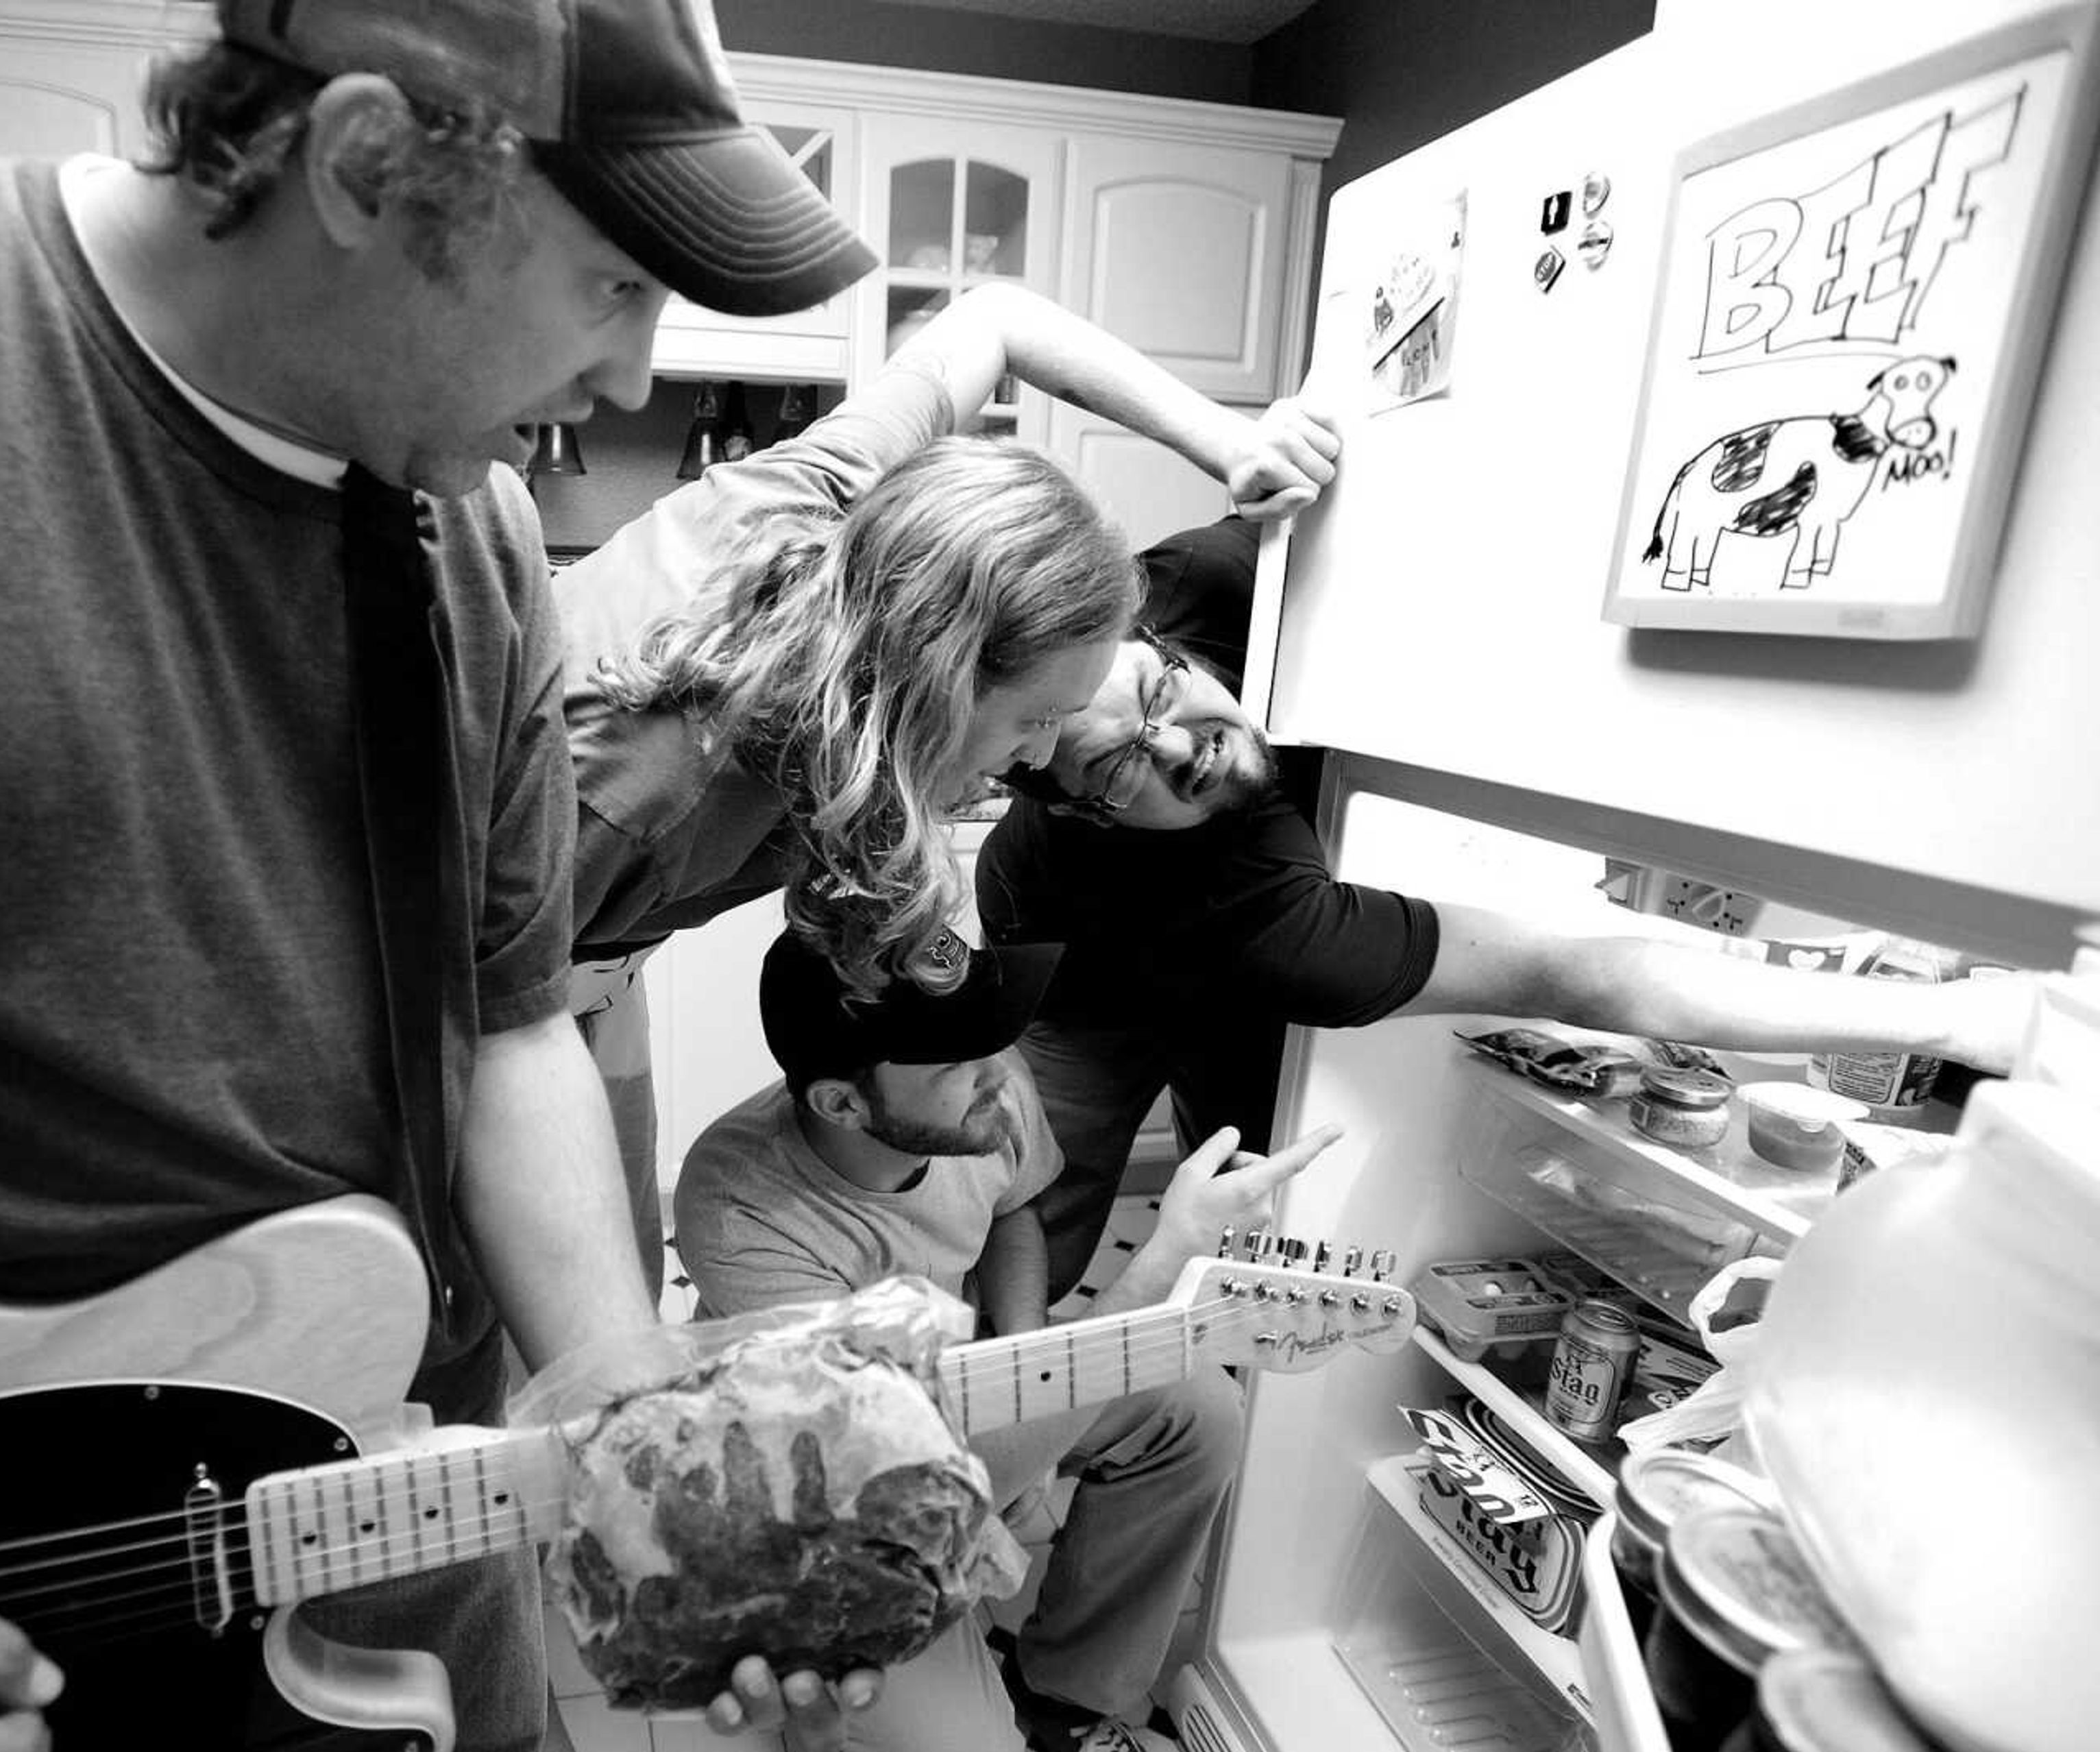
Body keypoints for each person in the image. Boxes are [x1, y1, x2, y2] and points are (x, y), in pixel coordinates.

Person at [0, 2, 880, 1748]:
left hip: (362, 1550)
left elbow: (508, 1019)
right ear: (366, 163)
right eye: (610, 285)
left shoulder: (479, 553)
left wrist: (614, 1397)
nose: (631, 380)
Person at [977, 515, 2047, 1297]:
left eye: (1161, 695)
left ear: (1161, 647)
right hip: (1070, 952)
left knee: (1246, 1127)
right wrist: (1958, 1022)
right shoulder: (1267, 928)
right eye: (1120, 769)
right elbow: (1575, 973)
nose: (1181, 747)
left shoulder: (1203, 583)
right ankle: (1012, 1430)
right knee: (1043, 1200)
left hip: (1204, 925)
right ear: (1093, 810)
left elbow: (1374, 494)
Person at [557, 283, 1342, 1293]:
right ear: (933, 676)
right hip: (499, 980)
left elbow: (999, 319)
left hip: (593, 966)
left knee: (610, 1273)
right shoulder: (645, 791)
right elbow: (477, 1031)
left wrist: (1225, 442)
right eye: (1032, 721)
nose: (1033, 761)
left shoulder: (846, 504)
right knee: (542, 1318)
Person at [673, 929, 1343, 1752]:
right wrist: (1163, 1261)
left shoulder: (986, 1084)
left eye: (991, 1043)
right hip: (824, 1487)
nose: (1000, 1074)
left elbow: (1009, 1211)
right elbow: (910, 1495)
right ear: (843, 1105)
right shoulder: (739, 1208)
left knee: (1201, 1407)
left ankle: (1068, 1687)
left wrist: (1032, 1367)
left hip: (950, 1380)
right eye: (957, 1063)